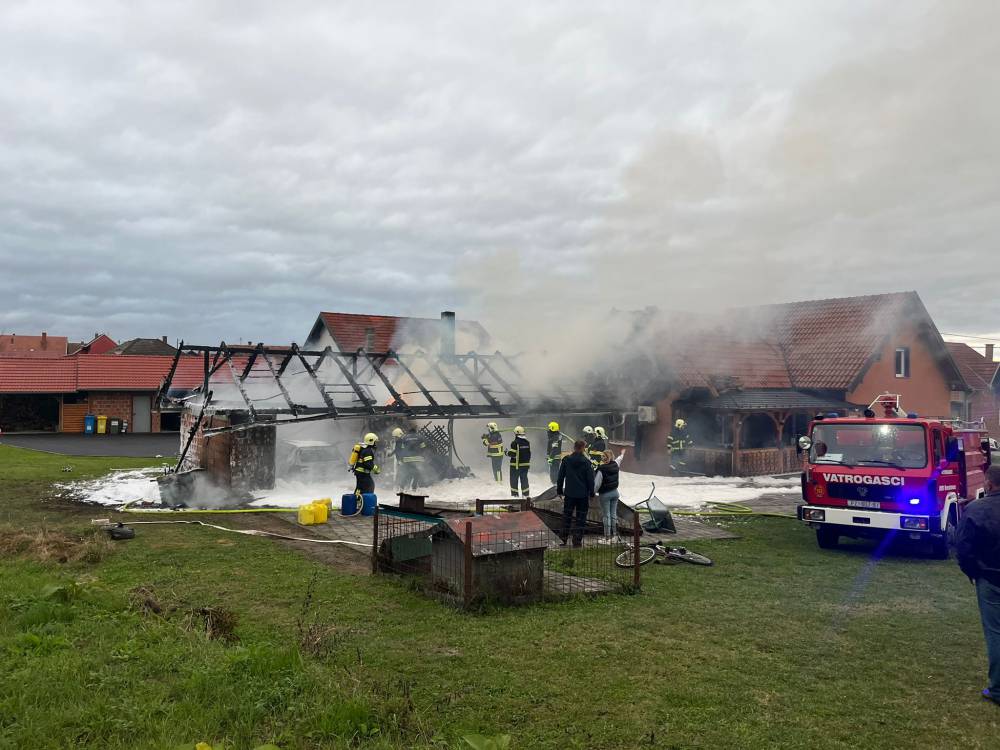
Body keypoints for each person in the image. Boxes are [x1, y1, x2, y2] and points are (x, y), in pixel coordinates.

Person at [956, 464, 1000, 705]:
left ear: (989, 484)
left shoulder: (975, 510)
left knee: (995, 633)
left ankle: (998, 689)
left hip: (990, 580)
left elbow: (963, 548)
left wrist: (973, 573)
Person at [557, 440, 595, 547]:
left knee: (567, 516)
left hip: (569, 494)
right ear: (583, 448)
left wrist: (559, 490)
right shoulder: (587, 463)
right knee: (581, 518)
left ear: (574, 447)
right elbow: (590, 480)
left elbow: (560, 477)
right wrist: (591, 494)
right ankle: (577, 541)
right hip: (583, 496)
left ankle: (563, 539)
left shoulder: (566, 460)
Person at [595, 448, 626, 542]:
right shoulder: (615, 465)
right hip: (615, 493)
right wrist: (622, 454)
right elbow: (619, 459)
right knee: (613, 515)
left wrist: (592, 493)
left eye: (603, 456)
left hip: (605, 494)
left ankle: (607, 537)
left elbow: (597, 484)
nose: (602, 458)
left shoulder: (601, 469)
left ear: (607, 457)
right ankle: (615, 536)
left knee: (606, 516)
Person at [396, 426, 427, 491]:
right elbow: (423, 448)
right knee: (416, 473)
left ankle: (401, 487)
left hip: (407, 460)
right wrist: (423, 456)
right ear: (415, 432)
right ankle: (414, 488)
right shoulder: (420, 437)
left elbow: (402, 449)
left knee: (407, 473)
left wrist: (401, 459)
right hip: (418, 459)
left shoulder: (404, 438)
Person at [507, 425, 531, 499]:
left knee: (514, 480)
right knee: (524, 480)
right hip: (525, 465)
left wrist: (506, 452)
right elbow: (529, 453)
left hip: (516, 466)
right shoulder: (527, 442)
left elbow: (512, 454)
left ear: (516, 434)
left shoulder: (515, 443)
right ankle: (526, 495)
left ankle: (515, 496)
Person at [352, 432, 380, 496]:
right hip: (363, 473)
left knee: (359, 488)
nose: (376, 444)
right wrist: (376, 469)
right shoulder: (368, 451)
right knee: (370, 486)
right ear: (371, 441)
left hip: (359, 472)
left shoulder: (363, 448)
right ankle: (365, 501)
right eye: (375, 442)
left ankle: (356, 499)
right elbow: (367, 463)